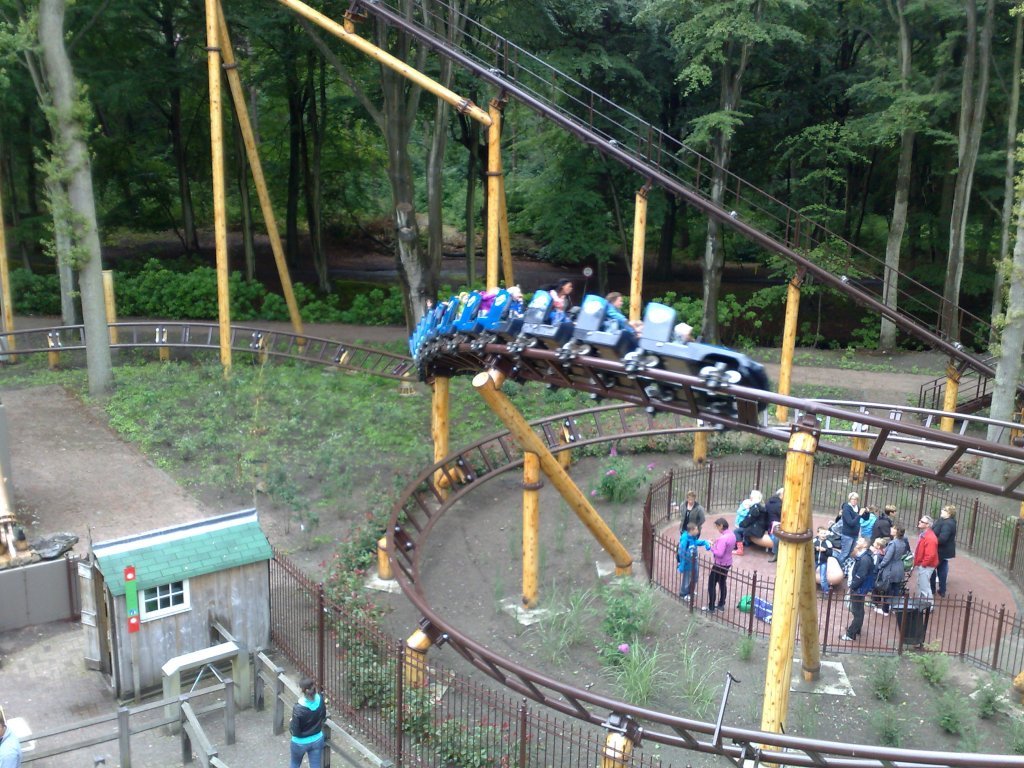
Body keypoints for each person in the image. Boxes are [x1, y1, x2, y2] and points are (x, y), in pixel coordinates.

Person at [841, 538, 876, 641]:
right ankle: (857, 629)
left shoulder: (864, 559)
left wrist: (853, 586)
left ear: (865, 545)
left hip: (859, 589)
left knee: (857, 612)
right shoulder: (864, 556)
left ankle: (851, 634)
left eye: (860, 541)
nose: (857, 542)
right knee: (859, 610)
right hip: (860, 588)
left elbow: (861, 575)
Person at [289, 677, 327, 768]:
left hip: (299, 742)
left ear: (303, 690)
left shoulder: (298, 708)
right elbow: (323, 717)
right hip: (317, 739)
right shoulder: (320, 699)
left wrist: (291, 722)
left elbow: (295, 731)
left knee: (295, 764)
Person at [874, 526, 910, 615]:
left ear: (896, 532)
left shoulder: (893, 544)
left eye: (893, 528)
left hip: (891, 568)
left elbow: (887, 558)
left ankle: (885, 610)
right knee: (896, 589)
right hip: (899, 567)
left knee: (888, 589)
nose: (890, 529)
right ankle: (894, 607)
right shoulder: (903, 542)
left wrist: (880, 566)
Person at [703, 517, 736, 613]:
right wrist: (716, 542)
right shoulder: (732, 535)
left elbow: (719, 553)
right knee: (722, 583)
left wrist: (711, 547)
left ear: (721, 526)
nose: (717, 529)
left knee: (711, 584)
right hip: (727, 563)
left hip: (719, 564)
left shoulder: (723, 538)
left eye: (717, 527)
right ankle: (721, 604)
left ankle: (711, 607)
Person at [677, 522, 711, 599]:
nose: (698, 531)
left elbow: (696, 542)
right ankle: (683, 594)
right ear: (691, 530)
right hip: (687, 563)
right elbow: (682, 552)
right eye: (696, 529)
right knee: (687, 579)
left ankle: (690, 591)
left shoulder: (693, 537)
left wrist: (705, 542)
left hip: (694, 561)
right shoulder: (685, 539)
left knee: (694, 577)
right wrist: (682, 565)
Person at [930, 505, 957, 598]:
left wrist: (931, 541)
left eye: (944, 510)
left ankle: (932, 589)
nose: (942, 510)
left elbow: (942, 539)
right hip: (945, 551)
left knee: (932, 568)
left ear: (949, 513)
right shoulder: (945, 520)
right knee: (942, 568)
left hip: (940, 551)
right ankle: (942, 590)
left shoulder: (947, 524)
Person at [913, 514, 939, 605]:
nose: (919, 522)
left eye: (922, 521)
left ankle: (929, 605)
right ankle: (921, 603)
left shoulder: (930, 538)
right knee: (921, 585)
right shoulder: (924, 535)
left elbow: (930, 555)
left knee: (924, 587)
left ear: (927, 525)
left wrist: (923, 564)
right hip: (924, 564)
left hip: (926, 566)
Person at [733, 490, 766, 555]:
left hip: (756, 529)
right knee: (743, 529)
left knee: (737, 531)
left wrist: (740, 524)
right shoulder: (760, 506)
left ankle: (739, 549)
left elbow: (749, 519)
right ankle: (745, 543)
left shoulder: (755, 508)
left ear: (752, 497)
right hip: (759, 528)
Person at [837, 492, 861, 566]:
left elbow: (865, 518)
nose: (854, 501)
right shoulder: (847, 509)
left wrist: (866, 513)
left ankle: (844, 567)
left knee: (850, 553)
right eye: (852, 499)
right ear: (849, 500)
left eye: (855, 499)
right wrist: (859, 515)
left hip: (855, 535)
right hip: (847, 535)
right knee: (844, 553)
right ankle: (838, 566)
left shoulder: (857, 508)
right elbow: (851, 523)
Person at [813, 526, 835, 595]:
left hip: (823, 562)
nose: (823, 535)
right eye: (822, 533)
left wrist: (825, 550)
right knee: (810, 574)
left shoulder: (828, 543)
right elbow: (809, 550)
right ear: (818, 534)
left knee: (823, 578)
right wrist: (815, 549)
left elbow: (830, 553)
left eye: (824, 533)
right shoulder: (814, 541)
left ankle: (826, 591)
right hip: (814, 561)